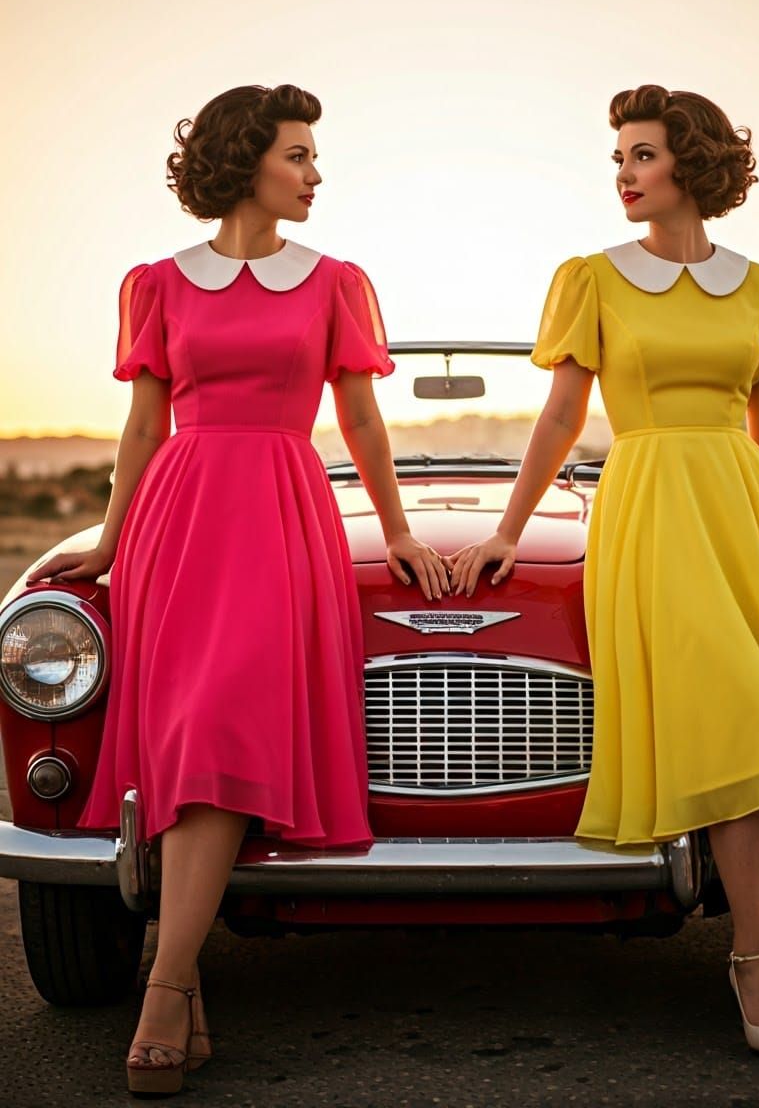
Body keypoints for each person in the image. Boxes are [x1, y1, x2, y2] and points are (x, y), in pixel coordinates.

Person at [448, 84, 759, 1058]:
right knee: (742, 723)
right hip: (652, 509)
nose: (623, 176)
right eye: (617, 161)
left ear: (689, 162)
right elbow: (562, 418)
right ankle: (749, 954)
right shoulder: (591, 278)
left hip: (747, 514)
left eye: (640, 157)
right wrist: (509, 529)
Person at [27, 84, 449, 1096]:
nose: (314, 172)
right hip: (180, 514)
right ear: (244, 159)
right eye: (298, 154)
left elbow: (362, 422)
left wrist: (392, 528)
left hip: (281, 510)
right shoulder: (157, 282)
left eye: (314, 155)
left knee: (220, 724)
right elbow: (142, 427)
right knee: (180, 734)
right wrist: (112, 542)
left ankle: (167, 983)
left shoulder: (334, 280)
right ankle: (180, 984)